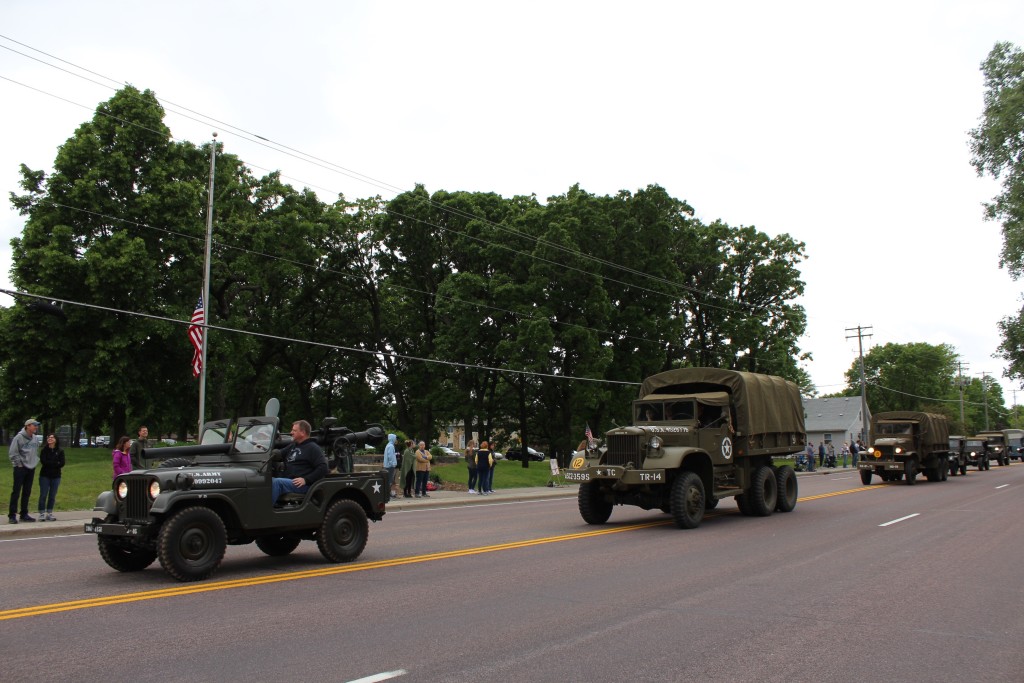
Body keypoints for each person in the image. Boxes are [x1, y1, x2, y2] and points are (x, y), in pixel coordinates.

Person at [271, 420, 328, 505]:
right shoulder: (293, 445)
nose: (291, 433)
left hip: (301, 485)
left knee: (276, 482)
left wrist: (306, 479)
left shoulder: (313, 448)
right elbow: (278, 454)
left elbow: (323, 468)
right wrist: (263, 449)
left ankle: (264, 513)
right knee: (266, 481)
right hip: (288, 481)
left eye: (294, 430)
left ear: (303, 432)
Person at [8, 418, 41, 524]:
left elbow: (35, 451)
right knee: (16, 491)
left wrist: (34, 461)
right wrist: (19, 464)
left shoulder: (35, 438)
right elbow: (13, 453)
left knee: (27, 491)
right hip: (20, 468)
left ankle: (24, 514)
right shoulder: (19, 437)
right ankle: (12, 515)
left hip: (31, 468)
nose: (36, 427)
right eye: (34, 425)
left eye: (37, 425)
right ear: (27, 426)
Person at [37, 434, 66, 521]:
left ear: (56, 440)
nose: (50, 439)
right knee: (43, 494)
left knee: (52, 495)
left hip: (56, 476)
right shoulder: (44, 450)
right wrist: (55, 463)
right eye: (48, 437)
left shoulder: (60, 451)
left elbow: (62, 463)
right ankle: (41, 513)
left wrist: (53, 463)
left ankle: (49, 513)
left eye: (52, 437)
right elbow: (44, 461)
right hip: (45, 475)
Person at [383, 433, 398, 500]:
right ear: (393, 438)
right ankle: (388, 495)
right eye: (395, 438)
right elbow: (391, 456)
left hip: (387, 465)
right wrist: (393, 464)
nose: (396, 440)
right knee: (390, 481)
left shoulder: (388, 445)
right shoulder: (391, 446)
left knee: (389, 480)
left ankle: (388, 495)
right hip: (390, 466)